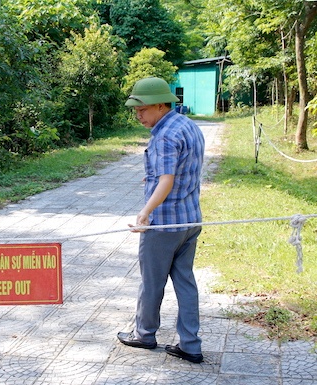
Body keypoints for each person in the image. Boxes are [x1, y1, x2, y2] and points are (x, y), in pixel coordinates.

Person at [116, 77, 205, 364]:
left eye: (141, 109)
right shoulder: (187, 125)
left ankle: (144, 334)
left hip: (164, 223)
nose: (138, 115)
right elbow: (181, 170)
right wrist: (152, 177)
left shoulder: (163, 135)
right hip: (190, 221)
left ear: (159, 104)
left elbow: (167, 180)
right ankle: (191, 345)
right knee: (186, 282)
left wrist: (145, 213)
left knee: (152, 282)